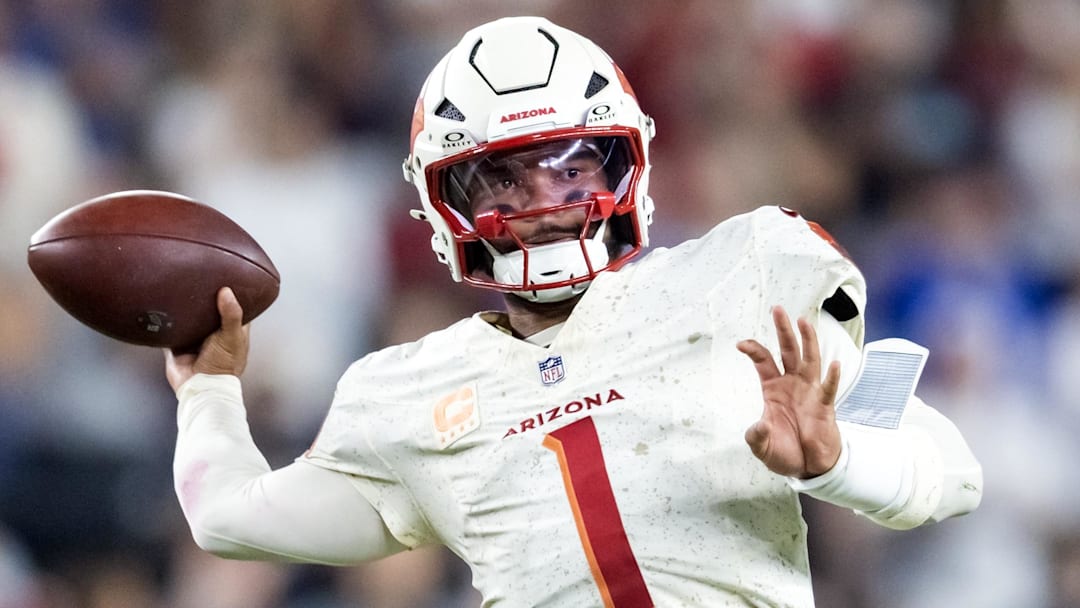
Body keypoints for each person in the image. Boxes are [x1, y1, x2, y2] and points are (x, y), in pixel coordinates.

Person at [165, 16, 982, 607]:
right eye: (504, 181)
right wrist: (208, 392)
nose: (547, 205)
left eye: (571, 169)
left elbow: (951, 474)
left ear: (629, 160)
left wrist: (836, 460)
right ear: (440, 201)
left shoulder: (746, 271)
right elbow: (230, 519)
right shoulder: (406, 393)